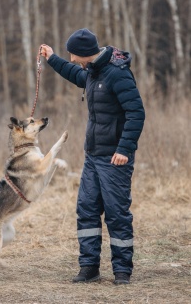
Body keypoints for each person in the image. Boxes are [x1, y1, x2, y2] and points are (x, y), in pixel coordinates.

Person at [40, 28, 145, 285]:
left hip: (114, 159)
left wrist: (124, 149)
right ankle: (89, 267)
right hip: (93, 157)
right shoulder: (93, 71)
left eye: (74, 54)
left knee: (117, 215)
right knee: (86, 211)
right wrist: (53, 58)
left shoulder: (117, 74)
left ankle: (122, 271)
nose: (73, 59)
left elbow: (136, 113)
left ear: (86, 53)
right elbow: (75, 73)